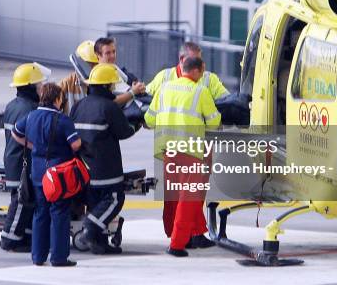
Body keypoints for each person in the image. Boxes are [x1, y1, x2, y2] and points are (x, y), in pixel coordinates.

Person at [144, 57, 221, 257]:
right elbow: (214, 123)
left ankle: (172, 234)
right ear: (196, 71)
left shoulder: (164, 88)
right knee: (188, 199)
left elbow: (149, 119)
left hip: (167, 150)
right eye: (202, 72)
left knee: (172, 196)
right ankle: (177, 244)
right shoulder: (200, 91)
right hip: (190, 151)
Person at [11, 83, 81, 267]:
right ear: (57, 99)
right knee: (59, 212)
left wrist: (33, 146)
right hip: (58, 175)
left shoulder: (31, 116)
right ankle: (58, 257)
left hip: (38, 173)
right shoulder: (63, 121)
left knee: (40, 212)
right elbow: (75, 145)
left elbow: (15, 133)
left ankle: (38, 256)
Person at [71, 63, 136, 254]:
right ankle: (90, 230)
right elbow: (124, 132)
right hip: (106, 169)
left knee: (94, 205)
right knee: (115, 200)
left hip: (84, 169)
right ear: (107, 87)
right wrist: (136, 123)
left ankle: (99, 244)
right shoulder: (109, 107)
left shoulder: (78, 106)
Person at [1, 63, 50, 252]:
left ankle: (24, 237)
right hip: (23, 163)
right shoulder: (30, 109)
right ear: (31, 87)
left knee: (27, 201)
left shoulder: (12, 105)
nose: (41, 89)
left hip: (13, 161)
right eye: (39, 85)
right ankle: (9, 238)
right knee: (21, 201)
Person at [146, 41, 229, 101]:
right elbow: (145, 97)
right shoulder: (164, 76)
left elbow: (227, 100)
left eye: (199, 60)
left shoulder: (209, 79)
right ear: (182, 59)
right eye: (194, 61)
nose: (199, 65)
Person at [93, 37, 146, 106]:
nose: (112, 56)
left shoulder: (113, 67)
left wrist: (138, 87)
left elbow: (129, 81)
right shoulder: (98, 76)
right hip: (131, 108)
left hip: (138, 100)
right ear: (98, 55)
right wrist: (133, 92)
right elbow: (109, 103)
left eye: (114, 51)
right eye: (108, 53)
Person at [60, 40, 98, 115]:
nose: (93, 68)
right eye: (90, 64)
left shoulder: (104, 83)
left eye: (96, 64)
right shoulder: (66, 84)